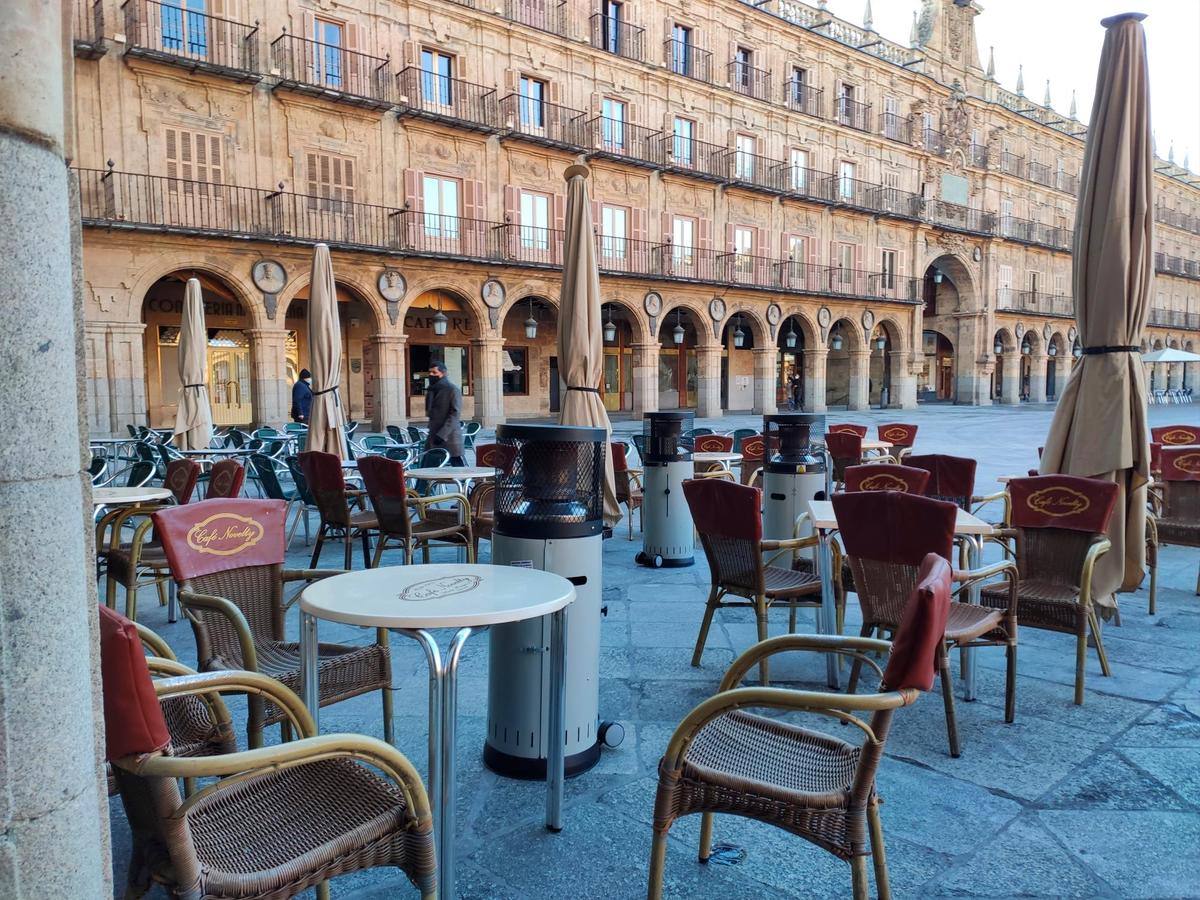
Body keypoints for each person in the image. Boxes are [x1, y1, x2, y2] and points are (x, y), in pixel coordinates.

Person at [424, 362, 465, 466]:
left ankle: (463, 482)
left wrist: (442, 434)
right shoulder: (431, 389)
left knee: (456, 464)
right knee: (428, 464)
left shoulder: (452, 389)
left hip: (449, 436)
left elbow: (455, 414)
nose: (431, 375)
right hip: (433, 434)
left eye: (434, 372)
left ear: (443, 373)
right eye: (430, 372)